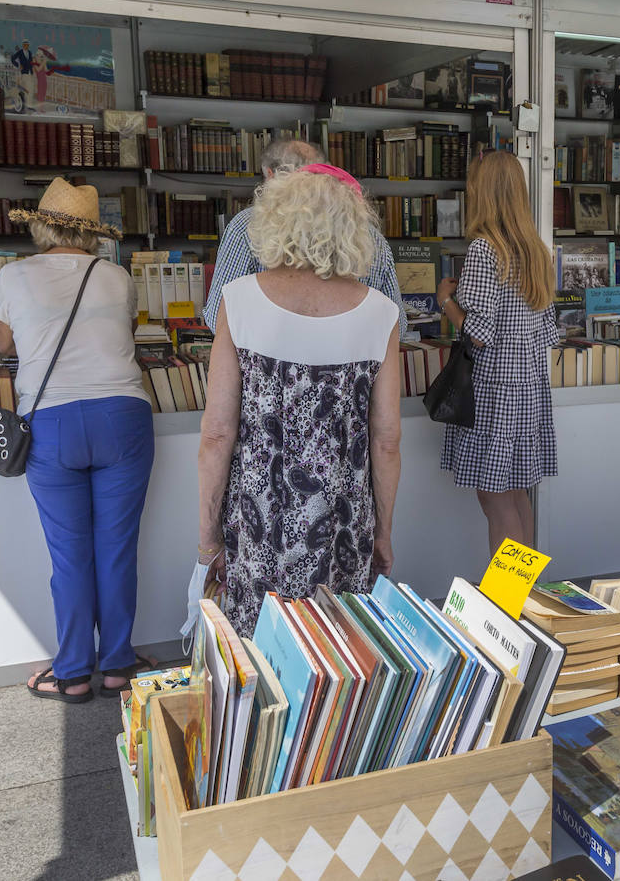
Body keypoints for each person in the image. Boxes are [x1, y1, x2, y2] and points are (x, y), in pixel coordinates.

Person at [196, 164, 402, 637]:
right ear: (354, 230)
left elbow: (217, 433)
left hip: (256, 522)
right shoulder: (381, 312)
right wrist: (383, 533)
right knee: (340, 659)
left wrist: (209, 537)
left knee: (258, 658)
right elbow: (386, 440)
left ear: (274, 222)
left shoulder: (238, 299)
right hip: (343, 526)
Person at [0, 178, 154, 703]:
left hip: (54, 422)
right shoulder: (115, 276)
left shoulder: (12, 276)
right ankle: (117, 667)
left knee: (69, 555)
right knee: (117, 549)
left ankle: (73, 673)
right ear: (91, 235)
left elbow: (5, 343)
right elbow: (120, 336)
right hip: (123, 416)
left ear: (40, 225)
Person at [437, 150, 558, 554]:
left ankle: (506, 603)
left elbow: (480, 333)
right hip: (528, 388)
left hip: (494, 390)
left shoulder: (486, 251)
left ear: (483, 193)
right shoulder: (536, 251)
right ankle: (524, 596)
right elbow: (548, 332)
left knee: (494, 497)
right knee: (517, 494)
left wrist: (446, 302)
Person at [203, 139, 405, 335]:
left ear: (271, 177)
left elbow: (217, 319)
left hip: (268, 364)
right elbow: (398, 327)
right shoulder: (369, 234)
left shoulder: (246, 225)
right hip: (356, 366)